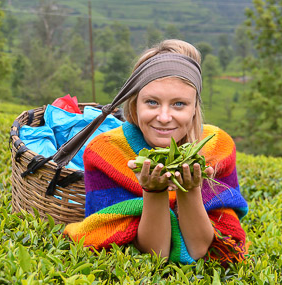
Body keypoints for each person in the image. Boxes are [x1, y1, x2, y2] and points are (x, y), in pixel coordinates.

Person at [63, 39, 249, 264]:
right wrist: (153, 192)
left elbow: (200, 248)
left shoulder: (216, 147)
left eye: (179, 104)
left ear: (194, 109)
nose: (163, 117)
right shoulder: (106, 152)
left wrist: (190, 189)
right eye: (151, 102)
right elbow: (155, 255)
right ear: (134, 104)